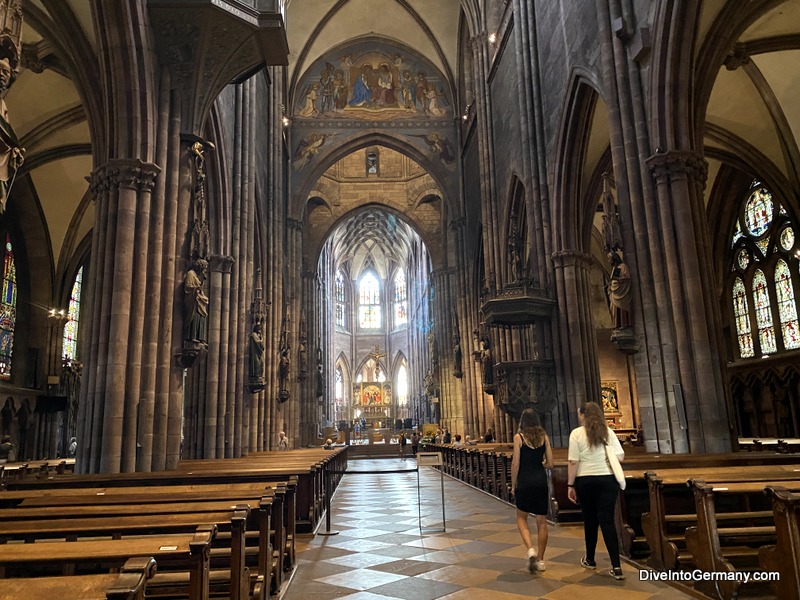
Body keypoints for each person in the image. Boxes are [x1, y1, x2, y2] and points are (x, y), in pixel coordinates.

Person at [567, 402, 626, 580]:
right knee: (607, 521)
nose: (579, 416)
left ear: (584, 415)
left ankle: (590, 559)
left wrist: (570, 485)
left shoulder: (577, 433)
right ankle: (616, 567)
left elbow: (573, 462)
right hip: (607, 479)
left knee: (590, 520)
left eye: (580, 414)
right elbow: (621, 456)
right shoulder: (608, 432)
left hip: (585, 480)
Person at [512, 408, 553, 573]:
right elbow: (550, 463)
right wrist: (539, 465)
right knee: (542, 522)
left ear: (522, 422)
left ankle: (530, 549)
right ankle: (541, 560)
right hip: (540, 481)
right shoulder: (544, 437)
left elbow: (515, 463)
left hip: (524, 481)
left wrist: (514, 483)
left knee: (522, 518)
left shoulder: (518, 437)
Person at [183, 259, 209, 342]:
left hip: (199, 300)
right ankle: (192, 336)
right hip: (194, 300)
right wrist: (196, 288)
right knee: (195, 316)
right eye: (204, 268)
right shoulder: (190, 274)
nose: (204, 271)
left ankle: (200, 338)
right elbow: (187, 287)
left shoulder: (197, 276)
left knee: (202, 316)